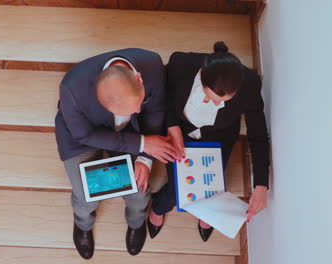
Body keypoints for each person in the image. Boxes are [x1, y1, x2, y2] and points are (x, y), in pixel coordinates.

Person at [55, 48, 178, 259]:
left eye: (138, 105)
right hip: (84, 138)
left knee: (139, 191)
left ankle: (136, 222)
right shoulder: (71, 87)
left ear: (139, 79)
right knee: (86, 195)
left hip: (133, 131)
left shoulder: (153, 64)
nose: (137, 111)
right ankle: (83, 224)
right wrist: (141, 143)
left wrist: (145, 159)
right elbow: (84, 135)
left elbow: (155, 112)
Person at [147, 42, 270, 242]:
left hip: (217, 136)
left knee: (211, 187)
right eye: (211, 97)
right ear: (201, 76)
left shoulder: (250, 83)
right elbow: (163, 96)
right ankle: (158, 207)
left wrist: (261, 186)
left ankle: (207, 213)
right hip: (180, 129)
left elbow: (258, 135)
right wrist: (172, 127)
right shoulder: (181, 63)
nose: (216, 104)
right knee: (177, 189)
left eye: (224, 100)